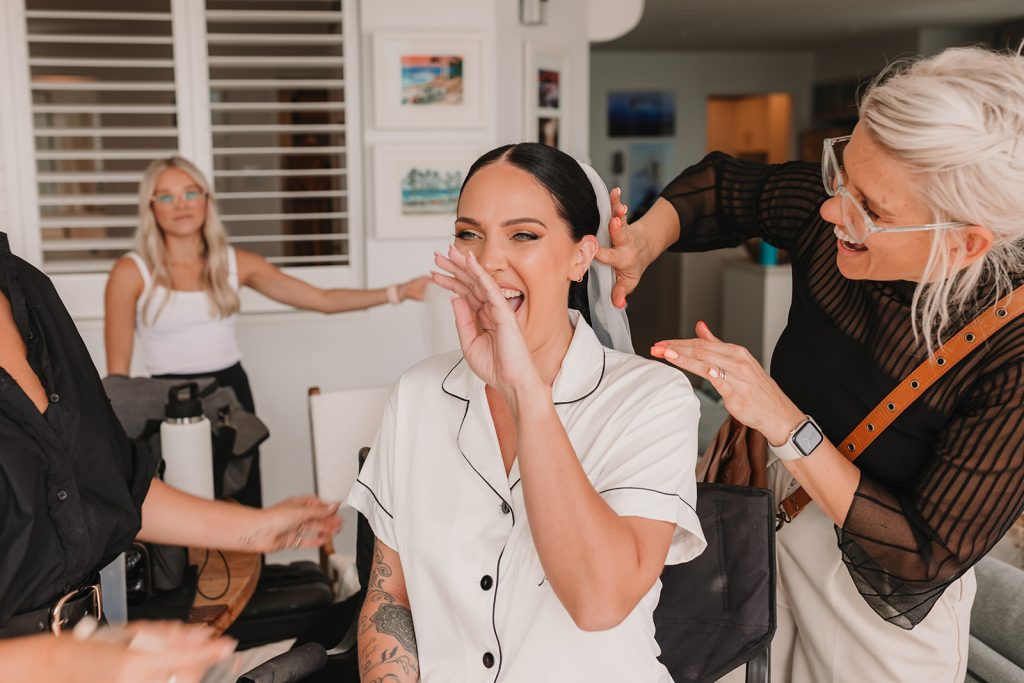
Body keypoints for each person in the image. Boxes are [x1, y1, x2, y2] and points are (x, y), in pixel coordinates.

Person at [598, 46, 1024, 681]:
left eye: (870, 210)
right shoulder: (838, 217)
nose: (832, 211)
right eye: (840, 176)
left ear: (963, 242)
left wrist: (783, 422)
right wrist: (642, 243)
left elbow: (925, 553)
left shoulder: (1011, 356)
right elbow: (723, 189)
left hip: (875, 606)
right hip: (758, 522)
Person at [347, 143, 706, 681]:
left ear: (581, 257)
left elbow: (599, 602)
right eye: (469, 234)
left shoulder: (652, 399)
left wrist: (524, 389)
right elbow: (389, 596)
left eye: (523, 235)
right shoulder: (418, 393)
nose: (488, 261)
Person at [0, 230, 341, 661]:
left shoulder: (27, 288)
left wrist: (257, 529)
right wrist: (72, 663)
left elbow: (111, 482)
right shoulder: (131, 272)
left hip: (92, 643)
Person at [105, 156, 431, 506]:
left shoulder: (237, 263)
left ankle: (251, 563)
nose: (181, 204)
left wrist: (398, 292)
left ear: (206, 200)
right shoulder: (130, 271)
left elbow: (321, 299)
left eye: (190, 192)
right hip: (165, 401)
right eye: (166, 196)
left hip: (229, 395)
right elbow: (118, 381)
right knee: (178, 511)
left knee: (241, 504)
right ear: (151, 208)